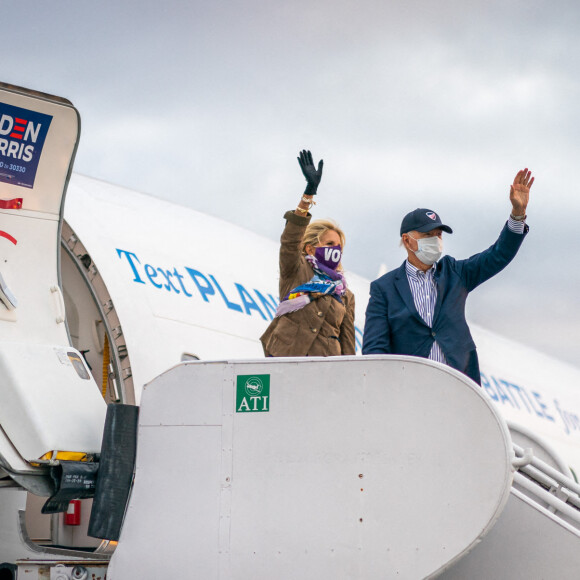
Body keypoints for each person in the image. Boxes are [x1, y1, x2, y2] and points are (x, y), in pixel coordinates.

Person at [362, 169, 534, 384]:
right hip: (408, 391)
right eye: (427, 235)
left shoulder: (456, 273)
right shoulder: (384, 288)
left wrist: (517, 214)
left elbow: (498, 255)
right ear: (407, 241)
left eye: (438, 235)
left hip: (458, 389)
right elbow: (374, 351)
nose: (435, 240)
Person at [260, 150, 356, 357]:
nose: (336, 250)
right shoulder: (296, 271)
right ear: (310, 248)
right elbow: (290, 240)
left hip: (326, 369)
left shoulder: (345, 294)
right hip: (287, 362)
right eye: (330, 243)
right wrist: (308, 195)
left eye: (339, 246)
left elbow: (348, 342)